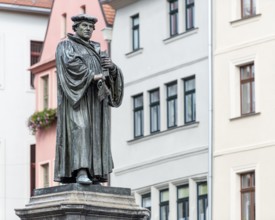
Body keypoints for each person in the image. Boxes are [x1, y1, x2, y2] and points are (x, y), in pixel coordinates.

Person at [54, 14, 123, 185]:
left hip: (96, 100)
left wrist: (112, 69)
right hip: (76, 100)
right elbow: (70, 67)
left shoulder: (97, 49)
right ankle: (81, 171)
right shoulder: (66, 46)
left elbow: (111, 76)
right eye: (84, 25)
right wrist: (93, 76)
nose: (88, 29)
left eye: (91, 27)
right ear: (75, 28)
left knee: (96, 133)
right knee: (81, 129)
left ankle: (95, 172)